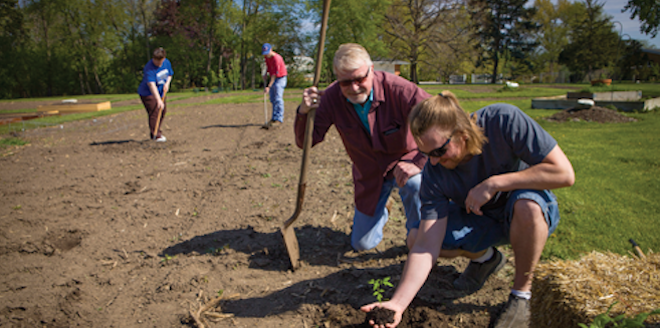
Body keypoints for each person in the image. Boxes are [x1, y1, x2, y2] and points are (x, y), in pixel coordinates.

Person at [361, 92, 575, 328]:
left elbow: (564, 173)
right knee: (415, 237)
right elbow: (426, 245)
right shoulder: (435, 172)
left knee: (527, 207)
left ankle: (521, 296)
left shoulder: (503, 121)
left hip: (528, 213)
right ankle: (487, 259)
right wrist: (398, 304)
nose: (432, 162)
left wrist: (495, 183)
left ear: (462, 134)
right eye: (426, 154)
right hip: (484, 218)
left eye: (439, 152)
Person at [295, 43, 431, 252]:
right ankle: (384, 205)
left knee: (416, 184)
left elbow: (440, 122)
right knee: (362, 244)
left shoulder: (401, 90)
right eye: (346, 82)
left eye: (360, 79)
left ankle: (419, 238)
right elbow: (307, 140)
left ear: (372, 70)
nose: (354, 87)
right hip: (369, 174)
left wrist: (418, 161)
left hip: (404, 163)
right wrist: (304, 112)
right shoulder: (332, 98)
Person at [137, 47, 173, 142]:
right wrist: (158, 100)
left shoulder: (166, 63)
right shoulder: (149, 68)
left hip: (161, 91)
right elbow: (151, 85)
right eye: (155, 60)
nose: (157, 63)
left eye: (159, 61)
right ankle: (156, 135)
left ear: (163, 59)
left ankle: (156, 131)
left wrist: (167, 83)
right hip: (148, 93)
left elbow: (170, 74)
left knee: (163, 111)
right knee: (155, 111)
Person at [262, 43, 288, 129]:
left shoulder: (277, 59)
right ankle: (274, 118)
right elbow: (268, 67)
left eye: (267, 52)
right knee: (272, 99)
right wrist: (265, 74)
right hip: (273, 77)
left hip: (280, 78)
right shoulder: (267, 57)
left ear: (271, 50)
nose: (266, 55)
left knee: (278, 98)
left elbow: (274, 74)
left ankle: (279, 119)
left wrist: (268, 87)